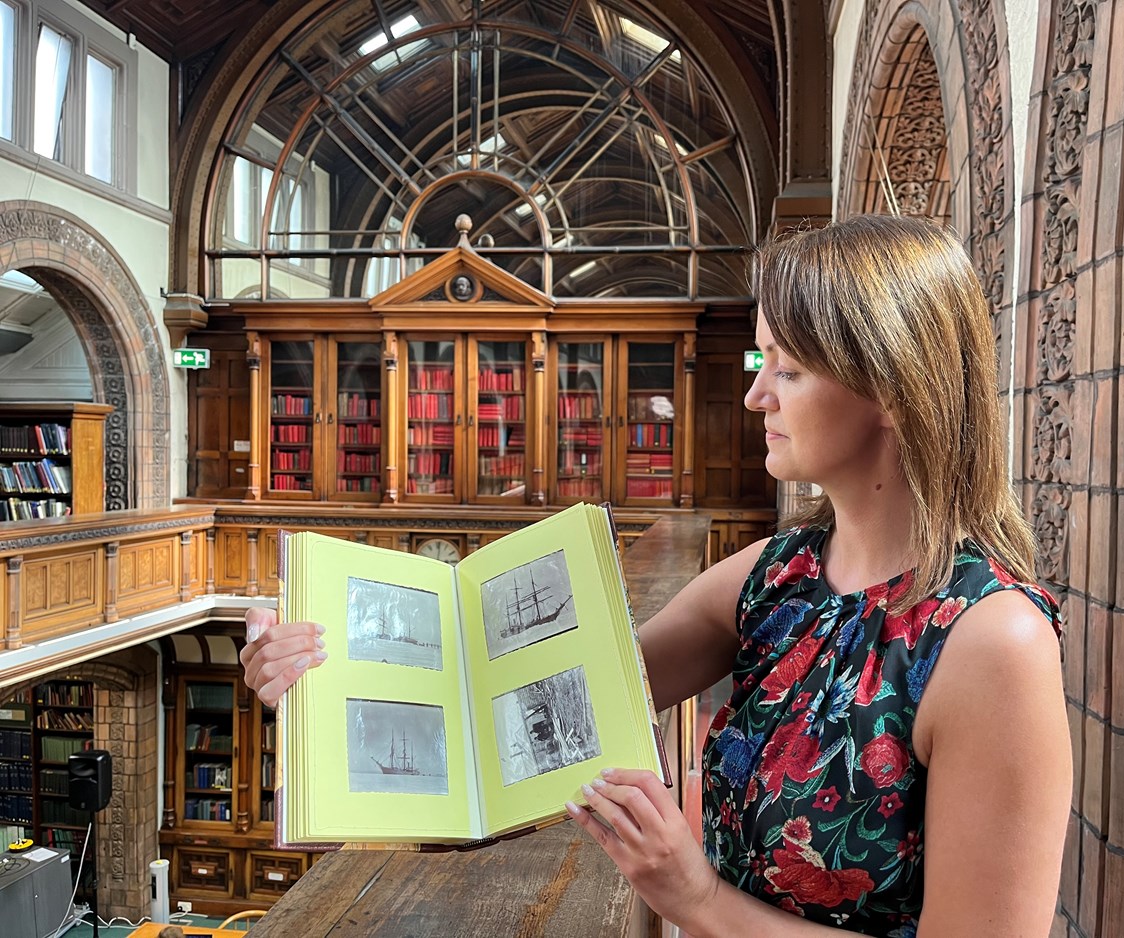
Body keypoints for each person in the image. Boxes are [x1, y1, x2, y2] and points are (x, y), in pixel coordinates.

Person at [239, 215, 1070, 937]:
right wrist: (324, 674)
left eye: (787, 369)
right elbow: (518, 720)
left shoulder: (995, 644)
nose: (754, 397)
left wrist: (694, 896)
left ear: (891, 385)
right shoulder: (778, 577)